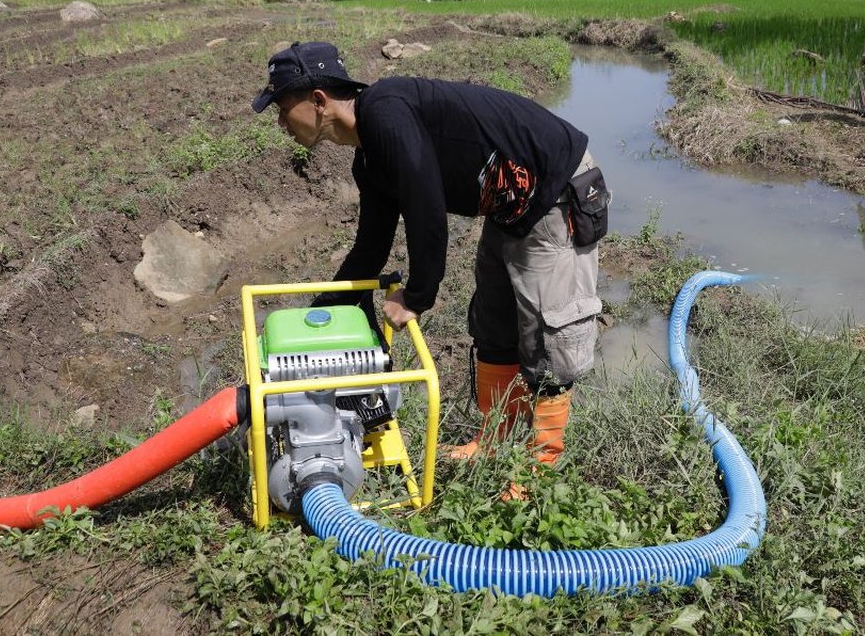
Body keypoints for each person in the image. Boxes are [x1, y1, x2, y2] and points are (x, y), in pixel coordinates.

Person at [251, 41, 607, 493]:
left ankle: (539, 470)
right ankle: (497, 439)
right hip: (510, 205)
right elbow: (370, 245)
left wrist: (418, 295)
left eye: (283, 108)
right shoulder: (370, 157)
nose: (281, 122)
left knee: (549, 338)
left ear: (318, 100)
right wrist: (319, 311)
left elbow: (425, 205)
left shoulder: (385, 111)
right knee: (495, 325)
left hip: (555, 190)